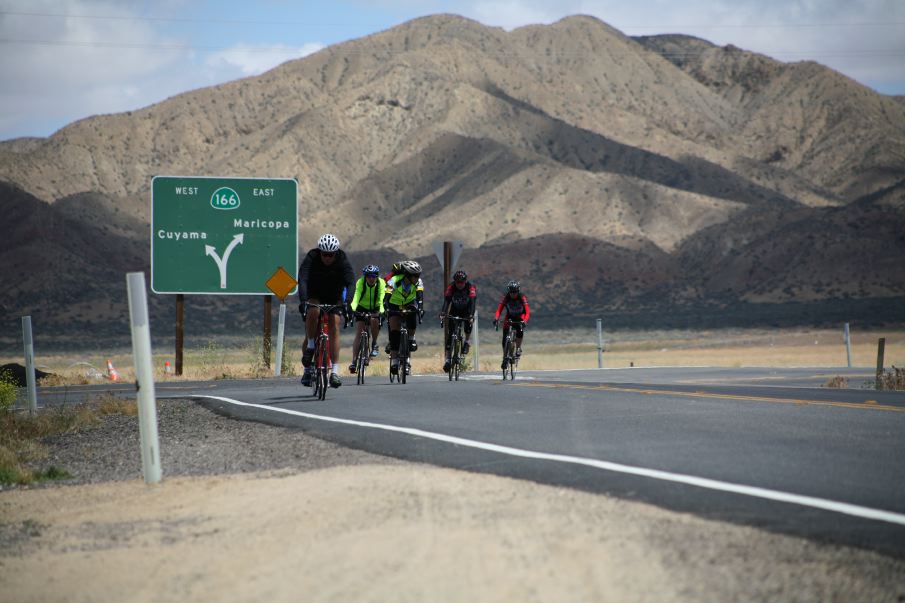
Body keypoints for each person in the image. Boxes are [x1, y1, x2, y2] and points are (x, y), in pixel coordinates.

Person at [297, 233, 355, 388]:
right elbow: (302, 278)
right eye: (324, 254)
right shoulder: (312, 257)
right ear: (320, 252)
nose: (327, 258)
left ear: (335, 253)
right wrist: (303, 301)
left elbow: (351, 283)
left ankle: (335, 372)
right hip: (315, 294)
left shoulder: (342, 259)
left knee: (335, 324)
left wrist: (348, 303)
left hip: (334, 296)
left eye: (331, 255)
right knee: (313, 311)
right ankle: (310, 351)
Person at [384, 260, 425, 376]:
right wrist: (387, 308)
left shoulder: (418, 282)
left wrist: (420, 308)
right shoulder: (394, 281)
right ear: (407, 275)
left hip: (409, 303)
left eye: (419, 275)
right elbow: (387, 296)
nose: (418, 277)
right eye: (415, 275)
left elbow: (420, 297)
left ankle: (411, 338)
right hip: (394, 304)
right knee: (395, 332)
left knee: (413, 316)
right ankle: (395, 361)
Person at [347, 264, 386, 373]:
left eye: (374, 276)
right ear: (365, 276)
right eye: (368, 276)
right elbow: (356, 297)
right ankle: (354, 361)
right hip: (361, 307)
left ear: (377, 277)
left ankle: (374, 343)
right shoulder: (360, 282)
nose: (371, 278)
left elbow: (382, 298)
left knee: (374, 320)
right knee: (359, 333)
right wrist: (352, 308)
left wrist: (381, 312)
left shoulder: (381, 283)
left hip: (376, 307)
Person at [439, 269, 476, 373]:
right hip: (454, 310)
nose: (460, 284)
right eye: (457, 282)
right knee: (450, 335)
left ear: (465, 281)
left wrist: (471, 316)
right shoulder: (451, 287)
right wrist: (443, 313)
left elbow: (473, 302)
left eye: (462, 282)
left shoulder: (470, 287)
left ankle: (467, 341)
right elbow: (446, 301)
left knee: (468, 324)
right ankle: (447, 361)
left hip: (467, 310)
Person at [493, 280, 530, 370]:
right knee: (504, 338)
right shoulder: (506, 297)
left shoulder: (522, 297)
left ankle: (518, 348)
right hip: (509, 317)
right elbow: (499, 310)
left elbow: (527, 311)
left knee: (520, 329)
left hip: (520, 316)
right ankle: (505, 358)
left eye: (515, 292)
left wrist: (525, 321)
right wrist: (496, 318)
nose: (513, 294)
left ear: (518, 291)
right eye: (511, 292)